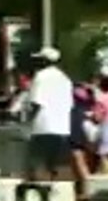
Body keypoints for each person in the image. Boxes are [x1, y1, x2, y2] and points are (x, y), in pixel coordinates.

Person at [24, 47, 73, 182]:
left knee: (37, 164)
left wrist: (27, 122)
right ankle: (56, 191)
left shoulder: (41, 76)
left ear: (45, 61)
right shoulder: (65, 78)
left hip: (43, 126)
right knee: (57, 165)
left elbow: (36, 102)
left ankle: (39, 192)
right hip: (62, 128)